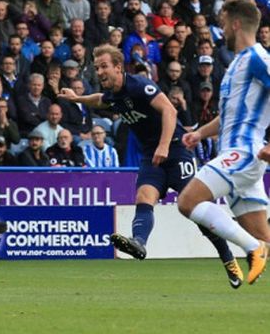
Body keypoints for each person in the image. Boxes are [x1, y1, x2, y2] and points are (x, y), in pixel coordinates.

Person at [59, 44, 240, 288]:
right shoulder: (113, 94)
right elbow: (100, 101)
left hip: (175, 151)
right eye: (97, 67)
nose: (99, 71)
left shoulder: (139, 85)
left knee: (197, 211)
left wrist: (164, 146)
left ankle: (228, 259)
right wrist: (77, 98)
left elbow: (169, 110)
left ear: (118, 67)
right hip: (151, 155)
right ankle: (139, 243)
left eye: (104, 66)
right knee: (144, 196)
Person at [178, 0, 270, 287]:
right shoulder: (235, 64)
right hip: (236, 155)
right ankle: (259, 245)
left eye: (222, 21)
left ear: (236, 24)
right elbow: (229, 116)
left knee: (188, 201)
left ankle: (254, 250)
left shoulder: (259, 58)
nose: (220, 28)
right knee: (263, 235)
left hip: (243, 154)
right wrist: (200, 134)